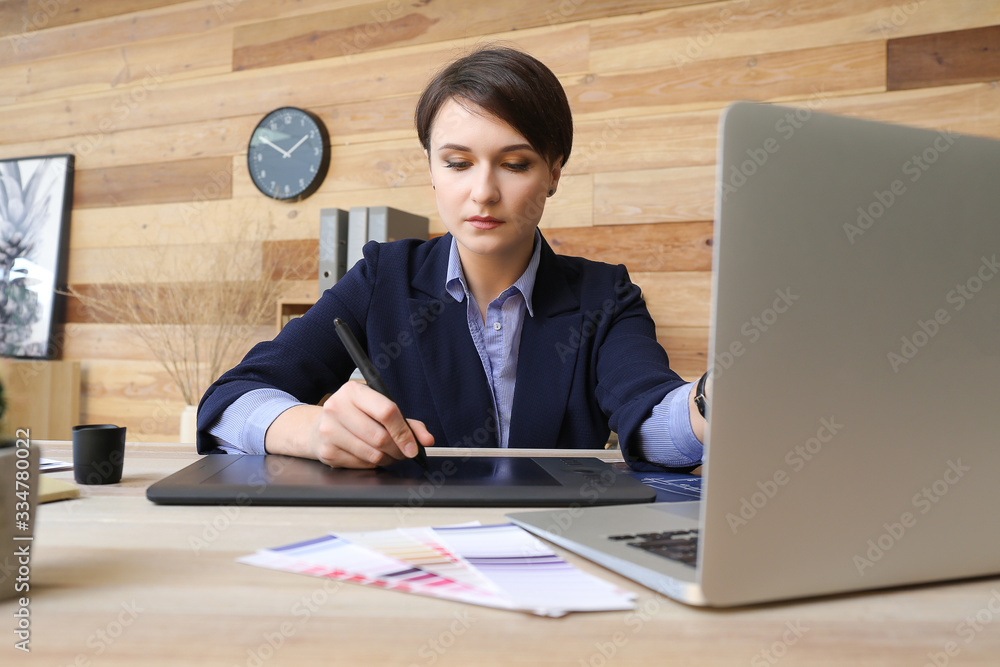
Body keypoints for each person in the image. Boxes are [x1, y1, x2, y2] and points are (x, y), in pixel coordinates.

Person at [197, 46, 708, 471]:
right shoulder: (383, 278)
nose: (483, 192)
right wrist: (310, 429)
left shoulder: (606, 295)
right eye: (458, 163)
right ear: (432, 171)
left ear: (554, 172)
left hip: (558, 547)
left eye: (515, 163)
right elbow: (230, 400)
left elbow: (651, 421)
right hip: (415, 544)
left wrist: (712, 401)